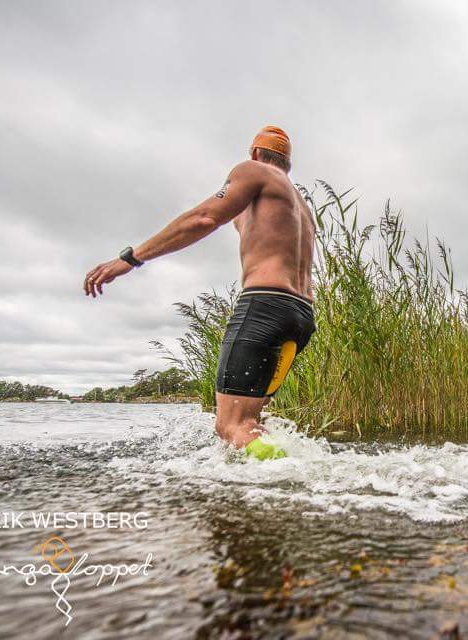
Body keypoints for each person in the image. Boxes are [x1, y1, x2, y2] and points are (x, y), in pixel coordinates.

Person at [83, 126, 315, 460]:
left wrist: (131, 259)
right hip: (300, 316)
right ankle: (266, 489)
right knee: (251, 420)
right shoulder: (301, 208)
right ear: (287, 164)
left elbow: (205, 218)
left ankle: (293, 480)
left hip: (265, 306)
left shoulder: (252, 171)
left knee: (231, 426)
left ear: (254, 153)